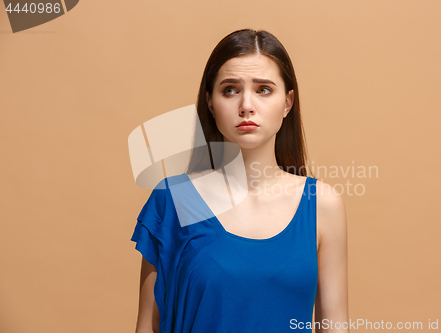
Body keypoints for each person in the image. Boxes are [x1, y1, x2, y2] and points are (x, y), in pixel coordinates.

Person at [131, 29, 349, 333]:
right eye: (230, 90)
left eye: (263, 90)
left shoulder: (322, 204)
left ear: (288, 102)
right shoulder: (172, 200)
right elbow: (147, 327)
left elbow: (334, 324)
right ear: (209, 102)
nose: (246, 105)